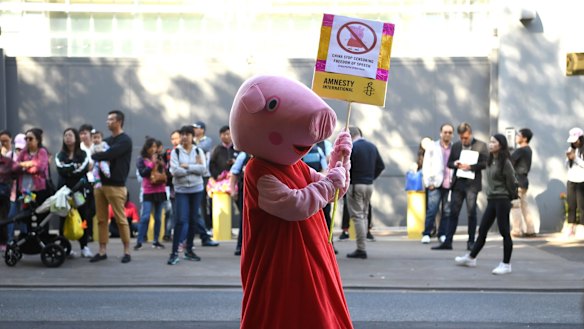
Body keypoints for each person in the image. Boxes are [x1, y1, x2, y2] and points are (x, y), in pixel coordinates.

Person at [454, 133, 518, 275]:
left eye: (494, 142)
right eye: (490, 142)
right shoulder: (490, 160)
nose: (490, 144)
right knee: (482, 230)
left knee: (504, 232)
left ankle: (506, 264)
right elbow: (479, 166)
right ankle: (471, 258)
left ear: (500, 145)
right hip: (492, 199)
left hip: (502, 199)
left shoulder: (505, 162)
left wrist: (511, 198)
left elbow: (513, 182)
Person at [433, 122, 488, 251]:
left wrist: (471, 167)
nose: (464, 140)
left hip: (472, 184)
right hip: (458, 183)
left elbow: (485, 163)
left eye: (466, 138)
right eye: (462, 138)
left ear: (471, 134)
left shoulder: (480, 145)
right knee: (453, 213)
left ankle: (471, 242)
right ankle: (448, 241)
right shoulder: (457, 146)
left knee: (471, 213)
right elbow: (449, 163)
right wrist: (456, 164)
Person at [90, 110, 133, 264]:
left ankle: (127, 251)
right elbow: (98, 153)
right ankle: (102, 251)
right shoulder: (106, 140)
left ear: (119, 121)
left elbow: (110, 154)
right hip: (100, 185)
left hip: (116, 185)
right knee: (101, 220)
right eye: (107, 119)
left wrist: (96, 155)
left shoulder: (125, 140)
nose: (107, 122)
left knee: (121, 219)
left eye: (111, 119)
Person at [167, 125, 211, 265]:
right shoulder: (176, 152)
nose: (185, 137)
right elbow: (174, 171)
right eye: (183, 134)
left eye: (188, 134)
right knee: (181, 220)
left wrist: (186, 166)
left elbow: (203, 170)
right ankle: (174, 253)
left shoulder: (198, 151)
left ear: (193, 137)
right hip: (181, 191)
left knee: (193, 220)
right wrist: (193, 168)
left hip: (196, 189)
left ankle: (189, 250)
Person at [346, 126, 385, 259]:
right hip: (368, 185)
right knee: (364, 214)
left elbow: (346, 167)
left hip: (356, 184)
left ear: (350, 135)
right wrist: (370, 177)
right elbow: (381, 166)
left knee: (358, 217)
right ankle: (361, 246)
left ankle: (361, 248)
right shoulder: (372, 146)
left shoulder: (352, 148)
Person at [54, 128, 93, 258]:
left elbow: (82, 169)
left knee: (83, 217)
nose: (68, 138)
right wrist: (73, 167)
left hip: (79, 192)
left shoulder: (83, 154)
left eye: (70, 135)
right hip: (63, 192)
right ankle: (64, 247)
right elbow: (60, 169)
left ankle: (84, 246)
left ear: (76, 138)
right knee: (63, 218)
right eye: (65, 135)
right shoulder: (60, 155)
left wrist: (70, 168)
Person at [421, 124, 454, 244]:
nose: (447, 134)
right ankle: (426, 233)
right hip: (435, 183)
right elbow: (426, 165)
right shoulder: (432, 147)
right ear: (441, 133)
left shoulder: (454, 148)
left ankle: (442, 234)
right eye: (445, 132)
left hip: (449, 184)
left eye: (450, 132)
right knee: (432, 210)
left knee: (447, 211)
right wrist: (428, 182)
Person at [134, 137, 167, 250]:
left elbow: (165, 171)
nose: (154, 149)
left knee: (158, 217)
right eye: (151, 147)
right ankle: (140, 240)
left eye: (155, 147)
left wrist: (162, 164)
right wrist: (152, 164)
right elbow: (143, 173)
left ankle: (156, 240)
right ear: (146, 148)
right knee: (145, 216)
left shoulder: (159, 157)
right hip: (148, 190)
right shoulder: (141, 159)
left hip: (160, 190)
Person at [510, 128, 535, 238]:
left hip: (517, 181)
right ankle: (531, 230)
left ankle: (516, 230)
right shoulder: (529, 150)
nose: (516, 136)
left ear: (524, 138)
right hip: (524, 181)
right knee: (524, 206)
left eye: (518, 135)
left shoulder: (520, 150)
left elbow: (509, 163)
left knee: (515, 206)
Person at [193, 121, 214, 229]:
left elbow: (200, 149)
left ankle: (207, 226)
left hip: (205, 175)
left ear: (202, 129)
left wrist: (192, 144)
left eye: (196, 128)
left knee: (204, 202)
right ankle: (199, 227)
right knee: (196, 202)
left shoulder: (207, 140)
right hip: (195, 174)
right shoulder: (192, 141)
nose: (194, 130)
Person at [564, 127, 584, 237]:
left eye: (576, 140)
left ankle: (582, 227)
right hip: (571, 180)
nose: (574, 143)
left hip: (582, 180)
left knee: (582, 205)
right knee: (571, 204)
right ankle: (571, 227)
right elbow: (567, 166)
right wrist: (568, 159)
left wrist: (575, 158)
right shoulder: (570, 148)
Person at [229, 151, 249, 256]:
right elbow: (234, 173)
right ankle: (240, 246)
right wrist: (233, 190)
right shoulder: (244, 155)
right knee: (244, 219)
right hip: (245, 192)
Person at [78, 123, 95, 241]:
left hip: (97, 182)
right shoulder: (79, 149)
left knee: (93, 209)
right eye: (81, 134)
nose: (83, 136)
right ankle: (85, 232)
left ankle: (90, 232)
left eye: (85, 133)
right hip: (84, 182)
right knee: (85, 209)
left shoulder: (96, 146)